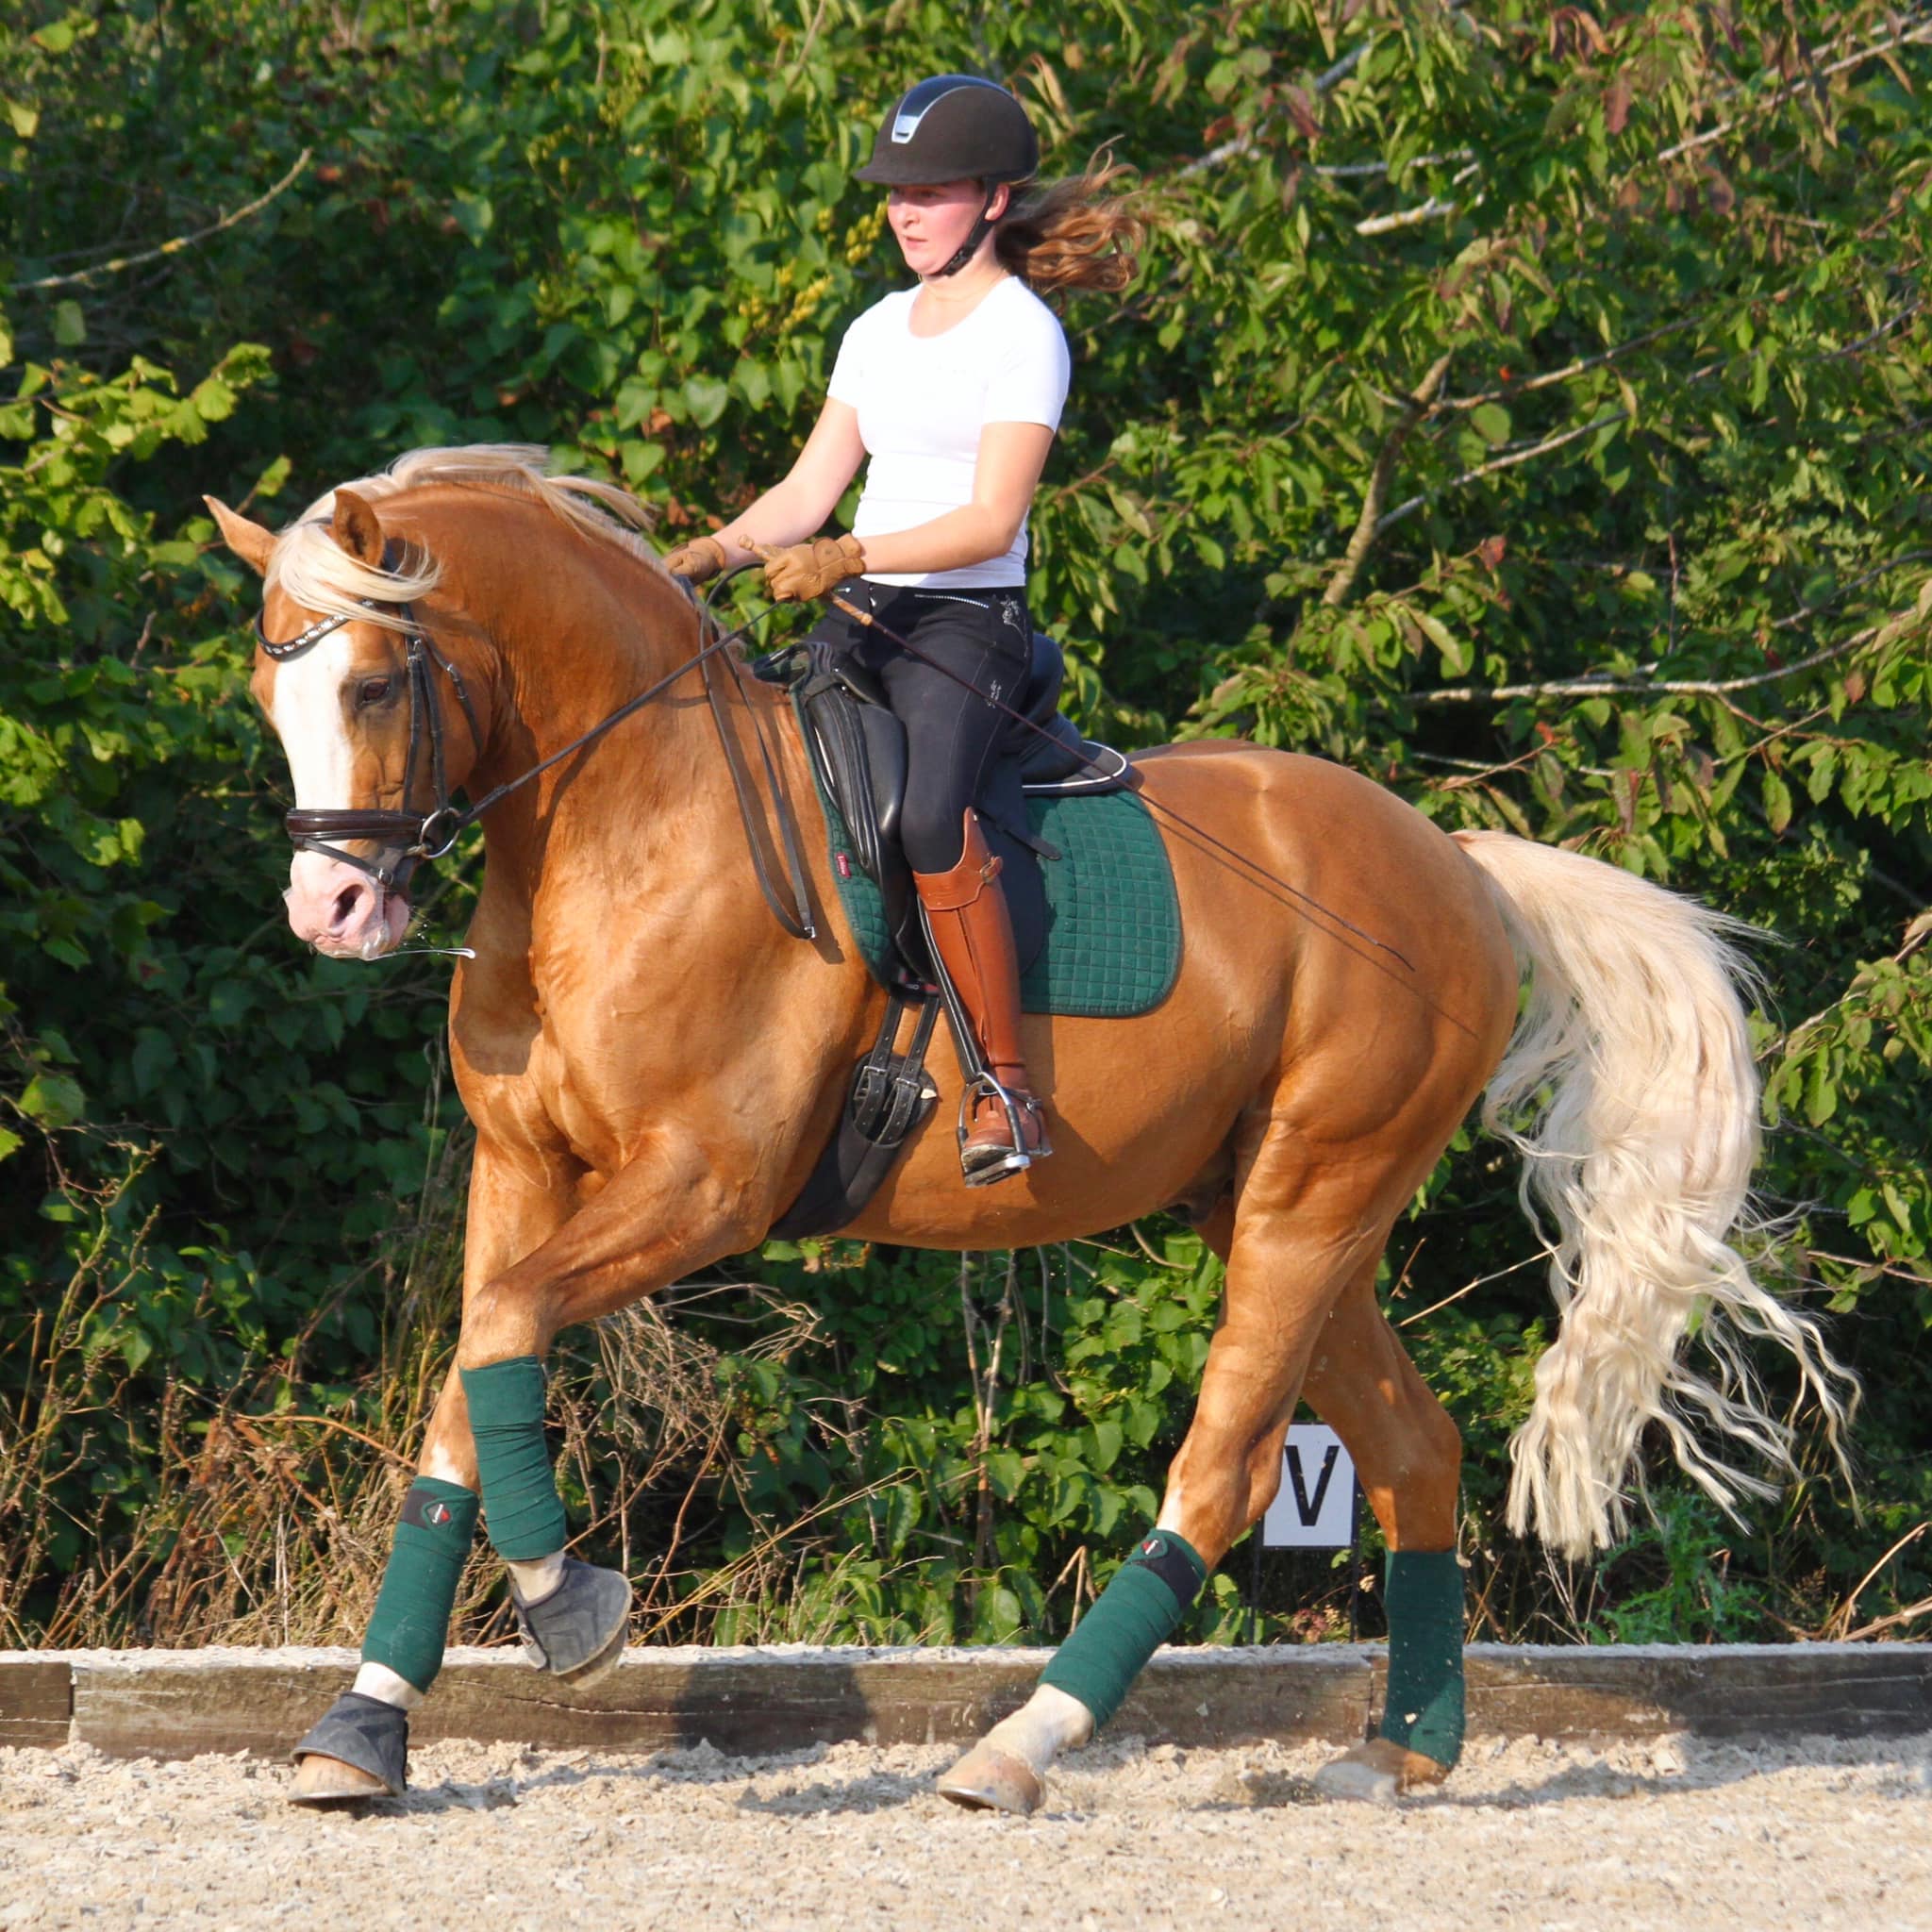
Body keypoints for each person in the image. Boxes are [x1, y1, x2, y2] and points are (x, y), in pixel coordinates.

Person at [664, 75, 1141, 1185]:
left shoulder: (1024, 335)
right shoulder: (877, 326)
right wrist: (716, 549)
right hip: (860, 610)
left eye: (928, 193)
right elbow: (806, 489)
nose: (905, 213)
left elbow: (991, 516)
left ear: (992, 197)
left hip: (965, 623)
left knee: (928, 811)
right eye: (895, 195)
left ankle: (1004, 1087)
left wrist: (851, 553)